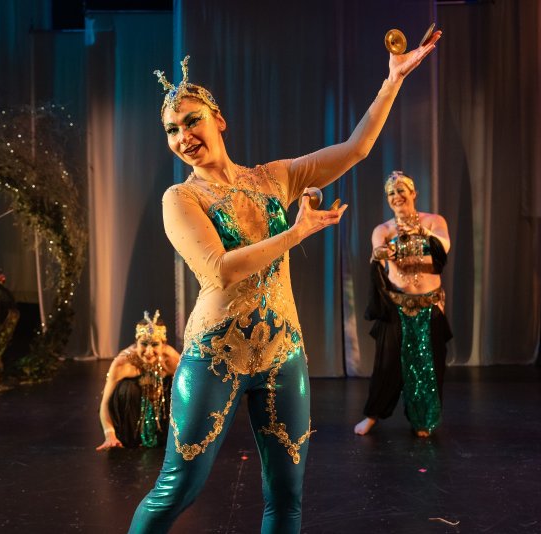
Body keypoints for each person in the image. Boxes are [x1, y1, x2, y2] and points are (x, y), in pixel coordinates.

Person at [130, 30, 442, 533]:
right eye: (171, 130)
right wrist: (295, 233)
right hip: (216, 356)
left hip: (282, 354)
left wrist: (392, 81)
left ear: (218, 121)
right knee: (177, 488)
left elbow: (356, 148)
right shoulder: (179, 199)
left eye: (192, 120)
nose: (183, 135)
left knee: (286, 499)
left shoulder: (273, 177)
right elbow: (219, 268)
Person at [354, 171, 452, 438]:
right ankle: (372, 416)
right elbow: (381, 259)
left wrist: (419, 233)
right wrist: (384, 253)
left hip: (429, 305)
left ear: (413, 193)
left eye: (401, 191)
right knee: (387, 365)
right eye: (391, 193)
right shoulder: (383, 230)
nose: (396, 197)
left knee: (428, 365)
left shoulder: (434, 222)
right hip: (397, 306)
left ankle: (424, 419)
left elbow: (442, 250)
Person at [97, 311, 180, 450]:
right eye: (144, 344)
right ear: (137, 343)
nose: (148, 351)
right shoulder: (123, 362)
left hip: (164, 422)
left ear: (163, 345)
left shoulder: (171, 360)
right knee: (125, 389)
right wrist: (109, 434)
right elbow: (105, 404)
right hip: (130, 426)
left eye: (154, 344)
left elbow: (193, 397)